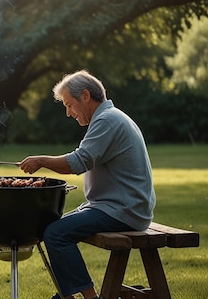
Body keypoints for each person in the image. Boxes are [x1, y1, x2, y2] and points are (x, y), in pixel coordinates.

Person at [18, 70, 156, 299]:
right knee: (52, 227)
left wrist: (41, 161)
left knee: (55, 233)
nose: (67, 113)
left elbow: (78, 162)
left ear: (85, 95)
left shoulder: (107, 120)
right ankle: (68, 296)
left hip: (124, 210)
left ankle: (90, 298)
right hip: (117, 206)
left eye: (69, 105)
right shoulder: (109, 117)